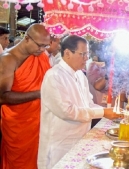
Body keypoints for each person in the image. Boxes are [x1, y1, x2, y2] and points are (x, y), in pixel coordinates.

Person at [38, 35, 120, 169]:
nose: (86, 58)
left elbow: (88, 103)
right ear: (67, 53)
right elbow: (67, 111)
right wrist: (103, 112)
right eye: (83, 54)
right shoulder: (54, 76)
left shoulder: (80, 75)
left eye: (87, 54)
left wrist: (106, 112)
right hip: (60, 145)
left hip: (80, 140)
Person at [0, 23, 51, 169]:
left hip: (41, 121)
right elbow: (3, 97)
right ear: (27, 38)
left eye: (45, 46)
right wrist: (39, 94)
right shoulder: (8, 59)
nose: (42, 50)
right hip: (19, 124)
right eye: (40, 45)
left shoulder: (40, 56)